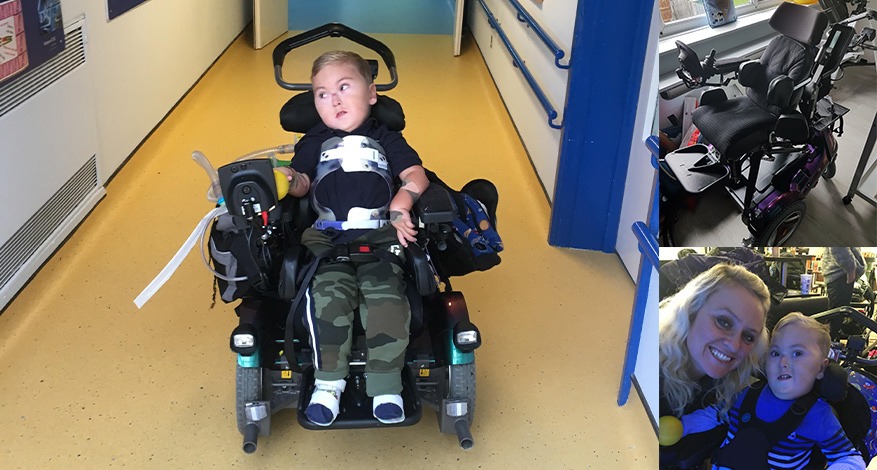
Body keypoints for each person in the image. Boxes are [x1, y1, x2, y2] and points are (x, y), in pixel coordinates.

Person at [275, 50, 429, 426]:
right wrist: (290, 178)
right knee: (328, 300)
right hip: (328, 241)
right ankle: (328, 385)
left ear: (372, 93)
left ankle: (386, 385)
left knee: (386, 301)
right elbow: (303, 184)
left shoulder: (386, 137)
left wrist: (401, 203)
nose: (335, 100)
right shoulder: (313, 140)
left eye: (345, 87)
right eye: (323, 94)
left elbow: (416, 175)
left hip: (380, 236)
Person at [679, 312, 866, 469]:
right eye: (775, 353)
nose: (783, 362)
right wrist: (682, 426)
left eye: (797, 353)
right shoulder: (747, 393)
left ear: (821, 368)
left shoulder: (818, 415)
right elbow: (714, 414)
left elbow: (849, 457)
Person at [660, 263, 771, 421]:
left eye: (748, 337)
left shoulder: (732, 386)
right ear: (691, 311)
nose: (734, 345)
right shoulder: (645, 367)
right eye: (724, 322)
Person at [821, 248, 866, 338]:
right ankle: (829, 347)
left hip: (841, 275)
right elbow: (838, 247)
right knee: (836, 316)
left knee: (837, 316)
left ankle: (831, 343)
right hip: (841, 275)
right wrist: (851, 270)